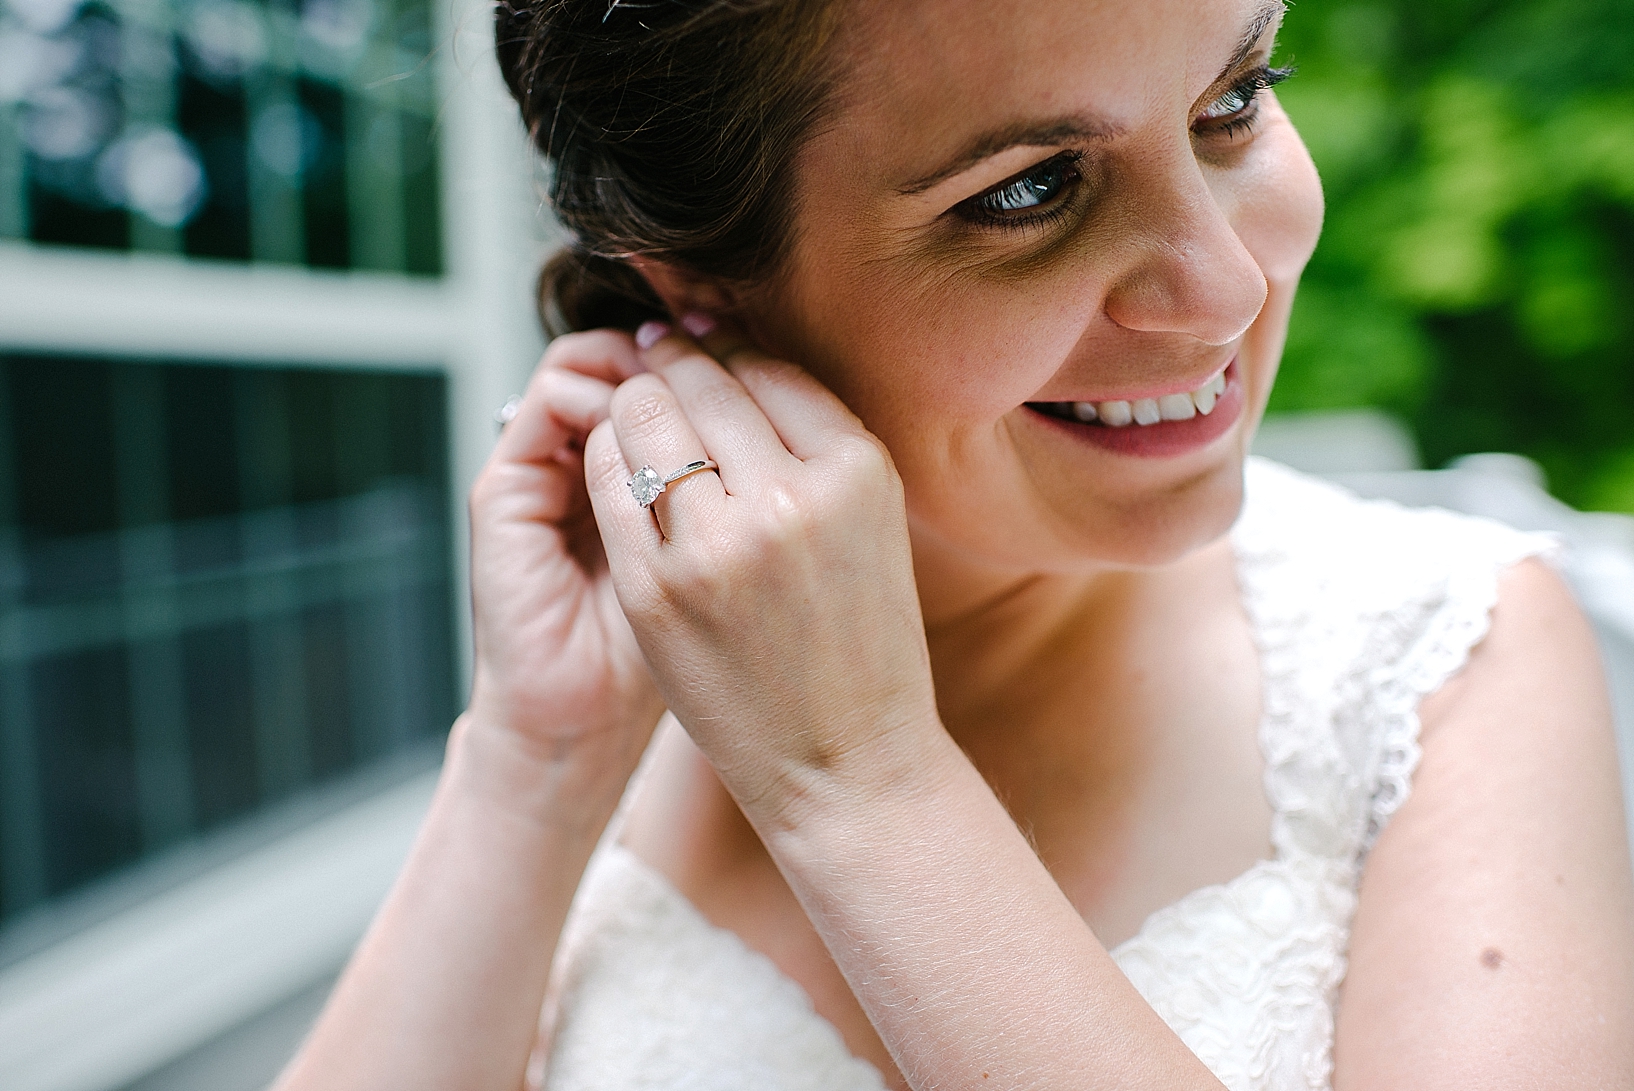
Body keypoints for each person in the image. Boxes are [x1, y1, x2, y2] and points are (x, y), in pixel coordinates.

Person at [274, 0, 1634, 1088]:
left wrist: (867, 791)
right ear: (697, 274)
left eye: (1231, 104)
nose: (1225, 285)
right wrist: (535, 767)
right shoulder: (610, 719)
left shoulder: (1444, 655)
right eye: (1030, 191)